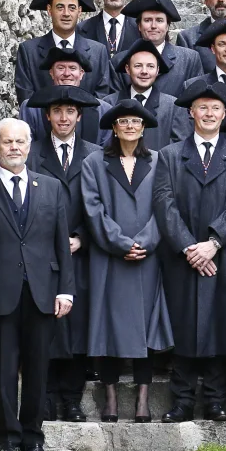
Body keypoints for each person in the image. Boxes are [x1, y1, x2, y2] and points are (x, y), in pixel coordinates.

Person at [0, 118, 73, 451]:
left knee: (38, 368)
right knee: (5, 367)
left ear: (29, 145)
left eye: (21, 142)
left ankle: (34, 439)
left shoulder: (50, 188)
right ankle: (8, 439)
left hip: (42, 291)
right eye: (7, 142)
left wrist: (65, 290)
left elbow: (60, 246)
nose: (15, 148)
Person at [153, 80, 226, 422]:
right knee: (184, 325)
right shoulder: (170, 155)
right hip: (182, 256)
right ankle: (181, 400)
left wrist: (213, 243)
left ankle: (215, 399)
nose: (209, 113)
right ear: (191, 113)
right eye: (203, 107)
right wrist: (188, 247)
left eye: (215, 108)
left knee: (220, 323)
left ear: (224, 114)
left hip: (223, 253)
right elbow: (164, 204)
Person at [81, 99, 173, 423]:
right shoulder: (94, 163)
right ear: (114, 128)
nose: (130, 126)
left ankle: (143, 397)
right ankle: (109, 396)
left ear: (144, 127)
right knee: (108, 325)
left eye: (136, 121)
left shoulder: (160, 161)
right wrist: (121, 243)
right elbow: (93, 209)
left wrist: (145, 242)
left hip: (147, 258)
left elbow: (164, 205)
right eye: (124, 122)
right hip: (110, 257)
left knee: (145, 327)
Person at [24, 86, 102, 424]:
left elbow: (102, 205)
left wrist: (82, 238)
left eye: (70, 112)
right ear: (47, 115)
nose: (64, 117)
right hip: (42, 255)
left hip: (80, 255)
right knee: (45, 326)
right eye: (57, 111)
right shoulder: (31, 155)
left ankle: (72, 399)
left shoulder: (95, 155)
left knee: (77, 328)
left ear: (80, 116)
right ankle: (44, 399)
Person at [14, 0, 116, 102]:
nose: (66, 13)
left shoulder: (98, 52)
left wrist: (77, 119)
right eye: (60, 7)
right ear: (49, 10)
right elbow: (26, 100)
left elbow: (102, 99)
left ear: (79, 12)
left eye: (72, 8)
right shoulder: (29, 51)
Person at [101, 38, 193, 151]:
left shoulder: (173, 107)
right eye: (138, 66)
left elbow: (178, 149)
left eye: (150, 66)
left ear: (157, 70)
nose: (144, 71)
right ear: (127, 69)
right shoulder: (108, 104)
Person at [117, 0, 204, 97]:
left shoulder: (189, 59)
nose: (153, 26)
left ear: (167, 26)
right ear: (139, 26)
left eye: (159, 20)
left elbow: (196, 100)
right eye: (148, 20)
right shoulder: (120, 61)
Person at [19, 47, 104, 145]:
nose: (67, 74)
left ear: (81, 74)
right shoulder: (31, 108)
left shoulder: (102, 109)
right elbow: (26, 147)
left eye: (72, 68)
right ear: (51, 73)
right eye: (61, 68)